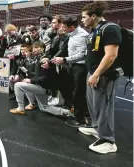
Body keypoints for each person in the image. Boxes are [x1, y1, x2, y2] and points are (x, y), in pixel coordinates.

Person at [79, 1, 121, 154]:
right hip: (93, 73)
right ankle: (97, 128)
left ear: (93, 16)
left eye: (84, 17)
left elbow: (111, 55)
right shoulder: (95, 29)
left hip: (104, 76)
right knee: (94, 105)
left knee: (104, 107)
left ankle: (109, 140)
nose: (82, 20)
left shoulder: (110, 28)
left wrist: (96, 74)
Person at [53, 15, 89, 127]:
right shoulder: (71, 34)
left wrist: (64, 59)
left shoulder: (82, 36)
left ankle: (81, 120)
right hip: (72, 65)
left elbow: (82, 55)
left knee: (79, 92)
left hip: (80, 67)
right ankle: (77, 112)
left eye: (64, 27)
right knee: (71, 89)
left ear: (72, 27)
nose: (62, 28)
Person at [10, 41, 50, 115]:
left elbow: (43, 76)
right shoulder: (36, 58)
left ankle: (21, 108)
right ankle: (66, 112)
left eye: (36, 47)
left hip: (43, 86)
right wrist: (19, 74)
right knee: (44, 108)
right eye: (33, 48)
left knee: (19, 85)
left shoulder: (44, 58)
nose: (34, 49)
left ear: (42, 49)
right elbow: (23, 68)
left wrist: (30, 80)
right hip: (39, 84)